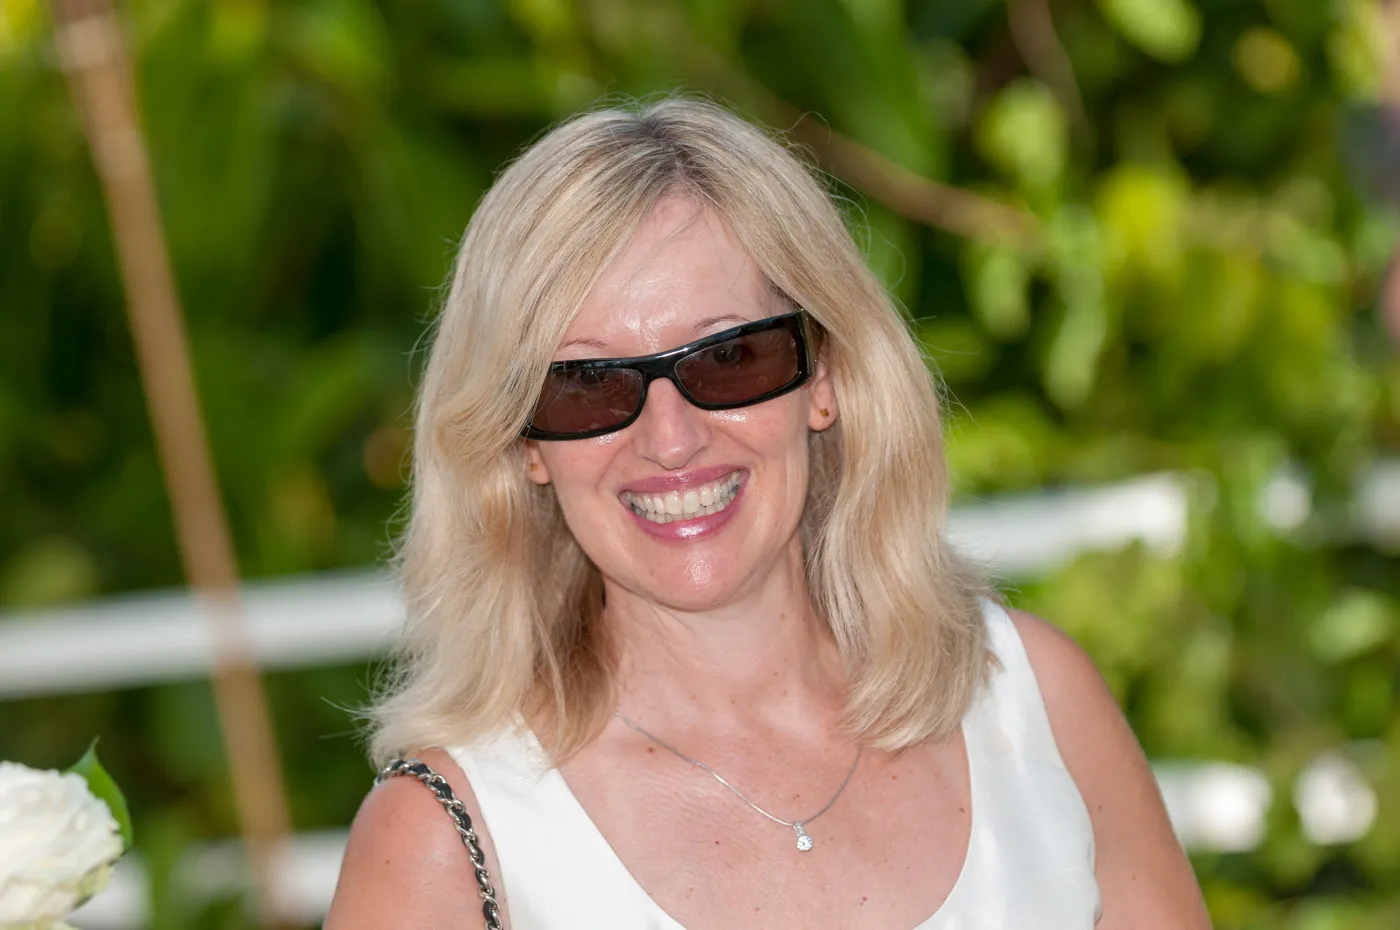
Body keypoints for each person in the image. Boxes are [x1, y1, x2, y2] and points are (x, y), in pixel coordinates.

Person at [325, 98, 1210, 929]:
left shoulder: (1031, 702)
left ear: (825, 375)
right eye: (589, 385)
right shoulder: (443, 846)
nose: (671, 440)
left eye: (728, 358)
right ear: (522, 442)